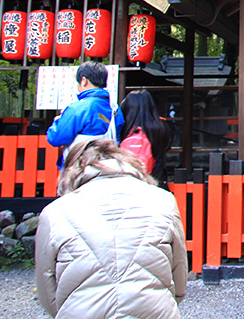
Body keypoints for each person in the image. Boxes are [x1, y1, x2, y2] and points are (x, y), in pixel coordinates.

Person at [35, 139, 187, 319]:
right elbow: (179, 273)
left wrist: (69, 309)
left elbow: (47, 289)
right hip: (154, 311)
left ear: (71, 171)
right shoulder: (163, 200)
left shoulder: (55, 212)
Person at [46, 61, 124, 168]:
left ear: (84, 81)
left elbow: (55, 139)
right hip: (108, 167)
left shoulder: (77, 109)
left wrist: (57, 121)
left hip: (79, 169)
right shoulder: (115, 109)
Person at [119, 89, 172, 182]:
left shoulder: (123, 128)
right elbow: (166, 147)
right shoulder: (160, 126)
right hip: (155, 177)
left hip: (127, 179)